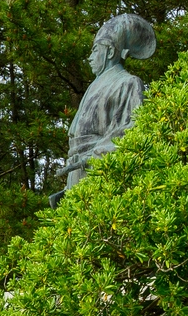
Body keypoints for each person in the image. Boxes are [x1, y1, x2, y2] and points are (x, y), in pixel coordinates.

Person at [55, 13, 157, 203]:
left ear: (110, 52)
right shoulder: (94, 87)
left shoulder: (128, 83)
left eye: (95, 50)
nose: (90, 57)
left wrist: (93, 157)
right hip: (77, 171)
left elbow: (131, 129)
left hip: (98, 169)